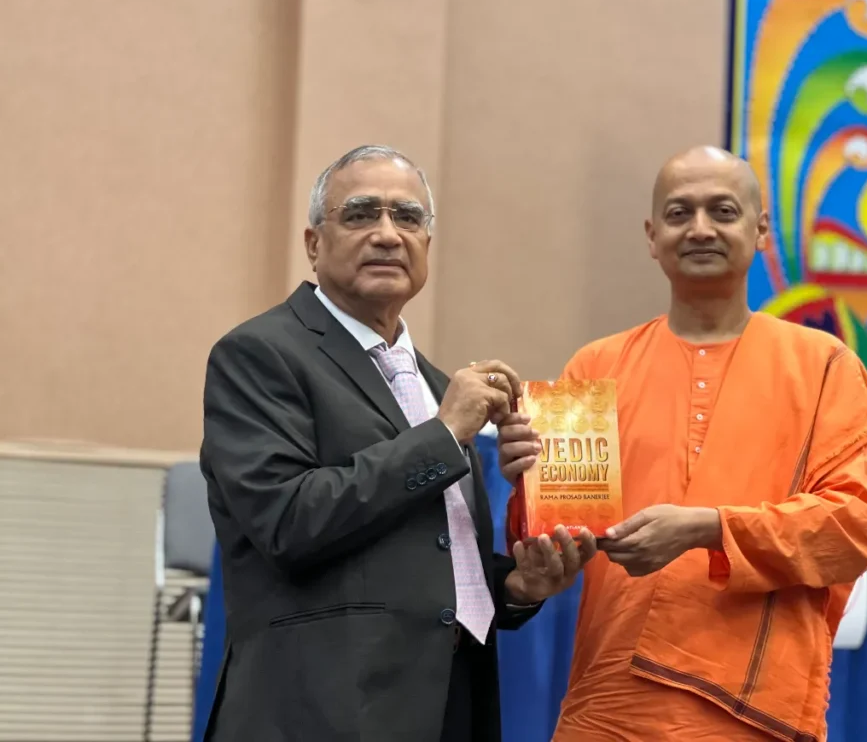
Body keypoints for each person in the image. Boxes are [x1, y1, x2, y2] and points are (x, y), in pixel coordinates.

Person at [199, 145, 597, 742]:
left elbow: (428, 562)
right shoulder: (260, 354)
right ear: (313, 243)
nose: (388, 234)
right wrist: (442, 435)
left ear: (426, 248)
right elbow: (287, 521)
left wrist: (515, 587)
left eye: (408, 218)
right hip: (318, 711)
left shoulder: (437, 385)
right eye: (361, 214)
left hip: (449, 703)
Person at [498, 146, 867, 742]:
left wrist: (708, 528)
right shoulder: (595, 367)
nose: (700, 228)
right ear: (653, 237)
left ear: (760, 231)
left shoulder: (824, 366)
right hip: (611, 700)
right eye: (680, 213)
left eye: (723, 211)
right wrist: (529, 496)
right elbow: (556, 542)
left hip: (754, 708)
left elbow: (852, 528)